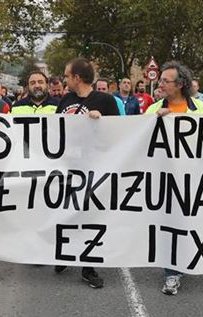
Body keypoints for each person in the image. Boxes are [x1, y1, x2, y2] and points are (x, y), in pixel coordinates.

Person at [144, 61, 203, 295]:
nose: (160, 84)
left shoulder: (202, 110)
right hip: (164, 180)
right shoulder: (153, 110)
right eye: (161, 79)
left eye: (166, 80)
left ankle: (186, 261)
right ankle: (171, 273)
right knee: (169, 226)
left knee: (191, 224)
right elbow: (139, 142)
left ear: (180, 84)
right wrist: (153, 123)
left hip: (194, 181)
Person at [54, 58, 119, 288]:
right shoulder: (66, 100)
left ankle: (88, 266)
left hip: (94, 169)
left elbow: (119, 134)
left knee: (90, 216)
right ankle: (63, 254)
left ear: (77, 78)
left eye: (67, 75)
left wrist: (100, 123)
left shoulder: (105, 100)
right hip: (67, 167)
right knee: (66, 213)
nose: (65, 79)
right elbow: (55, 130)